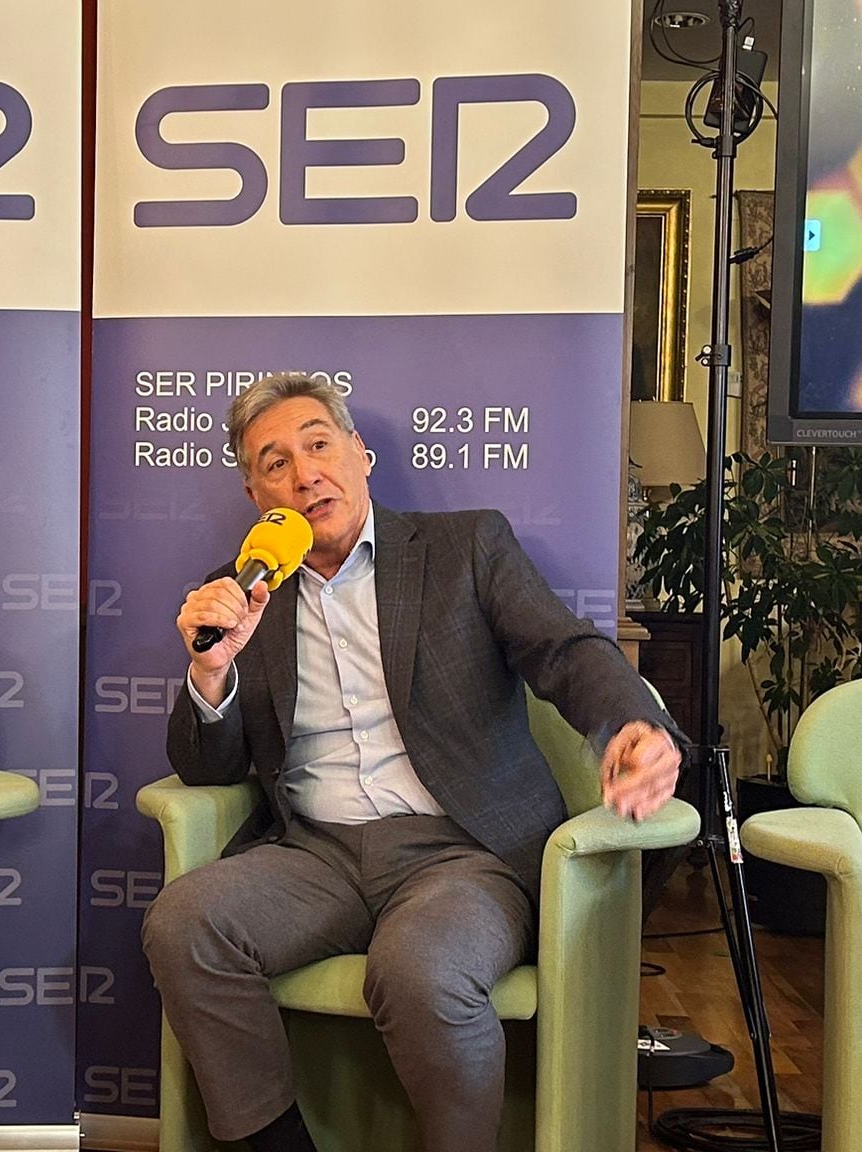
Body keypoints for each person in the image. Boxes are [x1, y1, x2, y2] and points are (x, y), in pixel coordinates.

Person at [143, 374, 684, 1152]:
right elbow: (208, 770)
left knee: (418, 971)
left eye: (319, 445)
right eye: (274, 462)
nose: (304, 474)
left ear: (361, 455)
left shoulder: (465, 547)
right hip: (314, 854)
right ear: (256, 491)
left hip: (460, 852)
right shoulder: (239, 595)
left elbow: (564, 651)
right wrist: (210, 673)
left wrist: (633, 724)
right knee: (182, 923)